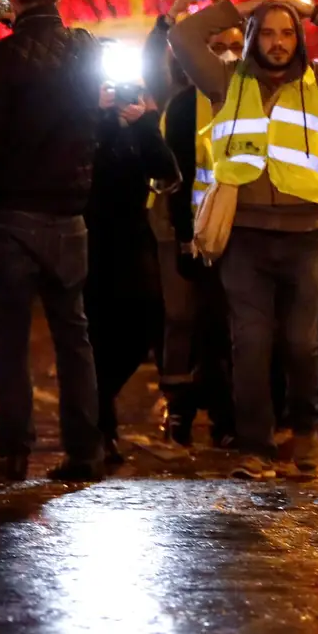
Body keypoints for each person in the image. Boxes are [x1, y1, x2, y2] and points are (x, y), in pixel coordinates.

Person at [169, 0, 318, 480]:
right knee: (251, 343)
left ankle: (304, 431)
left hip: (306, 234)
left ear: (299, 37)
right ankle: (256, 448)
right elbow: (182, 38)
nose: (278, 42)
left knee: (302, 343)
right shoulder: (224, 81)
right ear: (252, 37)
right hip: (244, 235)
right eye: (267, 33)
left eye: (287, 33)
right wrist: (240, 5)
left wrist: (313, 9)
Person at [0, 0, 106, 483]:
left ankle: (13, 452)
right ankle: (85, 452)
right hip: (70, 214)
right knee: (74, 336)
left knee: (11, 337)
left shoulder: (1, 59)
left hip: (14, 216)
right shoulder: (86, 53)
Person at [153, 0, 241, 447]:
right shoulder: (185, 106)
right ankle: (188, 411)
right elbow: (181, 177)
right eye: (219, 45)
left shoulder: (249, 99)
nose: (228, 54)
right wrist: (188, 239)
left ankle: (226, 415)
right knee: (190, 324)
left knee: (226, 329)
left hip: (242, 235)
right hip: (197, 235)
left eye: (234, 45)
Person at [83, 80, 177, 466]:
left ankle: (102, 401)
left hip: (135, 237)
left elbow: (166, 171)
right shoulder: (86, 121)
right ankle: (101, 427)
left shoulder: (141, 126)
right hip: (91, 240)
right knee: (97, 334)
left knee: (144, 326)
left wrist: (144, 123)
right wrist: (100, 116)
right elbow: (88, 162)